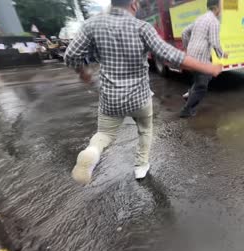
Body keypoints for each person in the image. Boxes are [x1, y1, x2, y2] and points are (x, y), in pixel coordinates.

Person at [65, 0, 222, 184]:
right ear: (133, 4)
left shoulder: (91, 25)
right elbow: (171, 55)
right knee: (145, 130)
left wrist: (82, 72)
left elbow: (71, 55)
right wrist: (208, 68)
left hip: (111, 98)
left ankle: (93, 152)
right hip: (140, 98)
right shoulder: (142, 27)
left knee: (104, 134)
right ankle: (141, 167)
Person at [179, 0, 227, 118]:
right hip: (200, 57)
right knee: (202, 86)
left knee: (203, 77)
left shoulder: (199, 18)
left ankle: (189, 95)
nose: (221, 9)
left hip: (191, 55)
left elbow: (184, 32)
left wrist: (186, 48)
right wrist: (222, 54)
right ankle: (187, 110)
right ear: (216, 8)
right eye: (221, 6)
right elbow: (214, 42)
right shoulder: (214, 21)